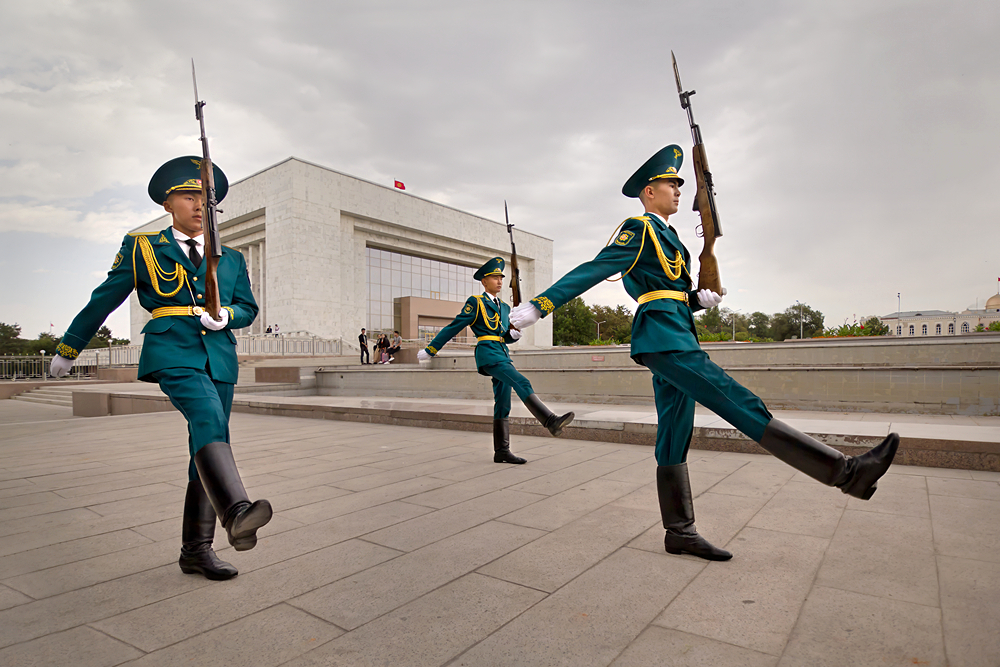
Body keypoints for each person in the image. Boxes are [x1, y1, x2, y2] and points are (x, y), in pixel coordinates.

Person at [510, 145, 899, 560]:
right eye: (670, 184)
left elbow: (672, 292)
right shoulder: (637, 229)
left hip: (676, 332)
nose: (678, 190)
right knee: (740, 403)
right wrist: (539, 306)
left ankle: (679, 532)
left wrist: (698, 299)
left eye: (680, 184)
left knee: (675, 431)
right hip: (663, 338)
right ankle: (845, 473)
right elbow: (593, 269)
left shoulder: (670, 237)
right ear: (648, 192)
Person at [48, 156, 272, 580]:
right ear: (168, 203)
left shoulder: (231, 258)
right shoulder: (143, 248)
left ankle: (196, 551)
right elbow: (104, 299)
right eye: (190, 196)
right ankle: (237, 511)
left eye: (207, 199)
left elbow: (248, 308)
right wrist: (70, 347)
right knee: (206, 415)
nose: (200, 205)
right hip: (173, 351)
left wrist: (227, 316)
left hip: (219, 356)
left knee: (205, 448)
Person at [418, 257, 575, 464]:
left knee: (503, 402)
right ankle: (550, 421)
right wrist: (431, 349)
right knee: (522, 382)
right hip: (488, 354)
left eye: (501, 277)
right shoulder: (476, 302)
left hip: (501, 353)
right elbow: (454, 327)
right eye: (494, 277)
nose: (500, 281)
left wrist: (513, 335)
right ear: (484, 281)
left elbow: (503, 334)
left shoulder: (505, 307)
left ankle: (502, 451)